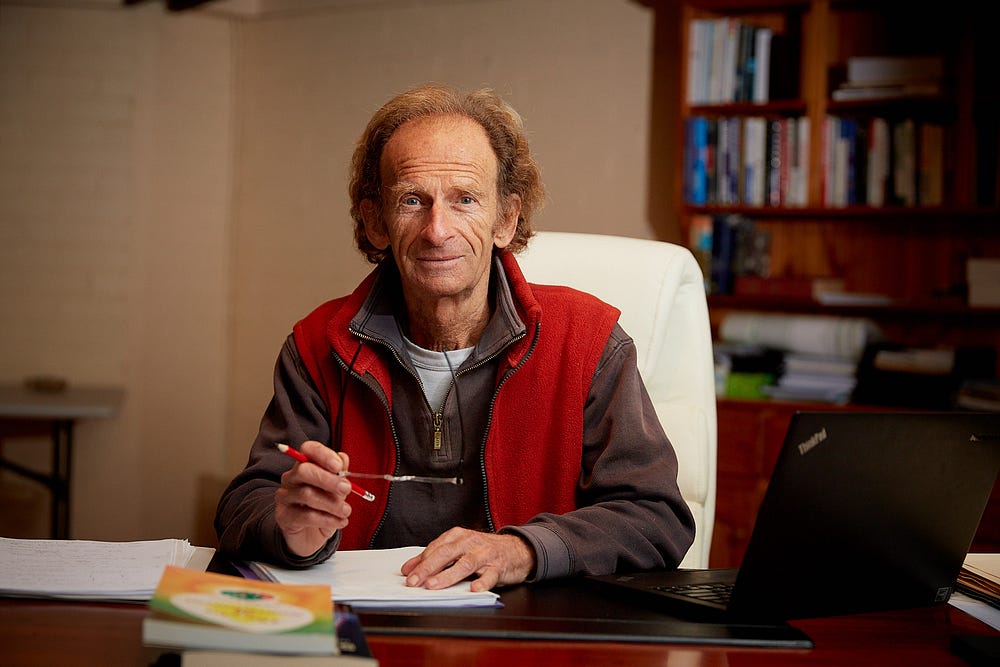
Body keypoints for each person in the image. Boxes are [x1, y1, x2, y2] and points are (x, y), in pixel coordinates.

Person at [214, 83, 695, 593]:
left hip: (526, 625)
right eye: (412, 200)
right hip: (362, 624)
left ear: (505, 219)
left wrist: (523, 550)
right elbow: (244, 503)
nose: (436, 230)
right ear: (376, 222)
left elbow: (656, 516)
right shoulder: (317, 344)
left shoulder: (588, 340)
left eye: (465, 199)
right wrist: (290, 529)